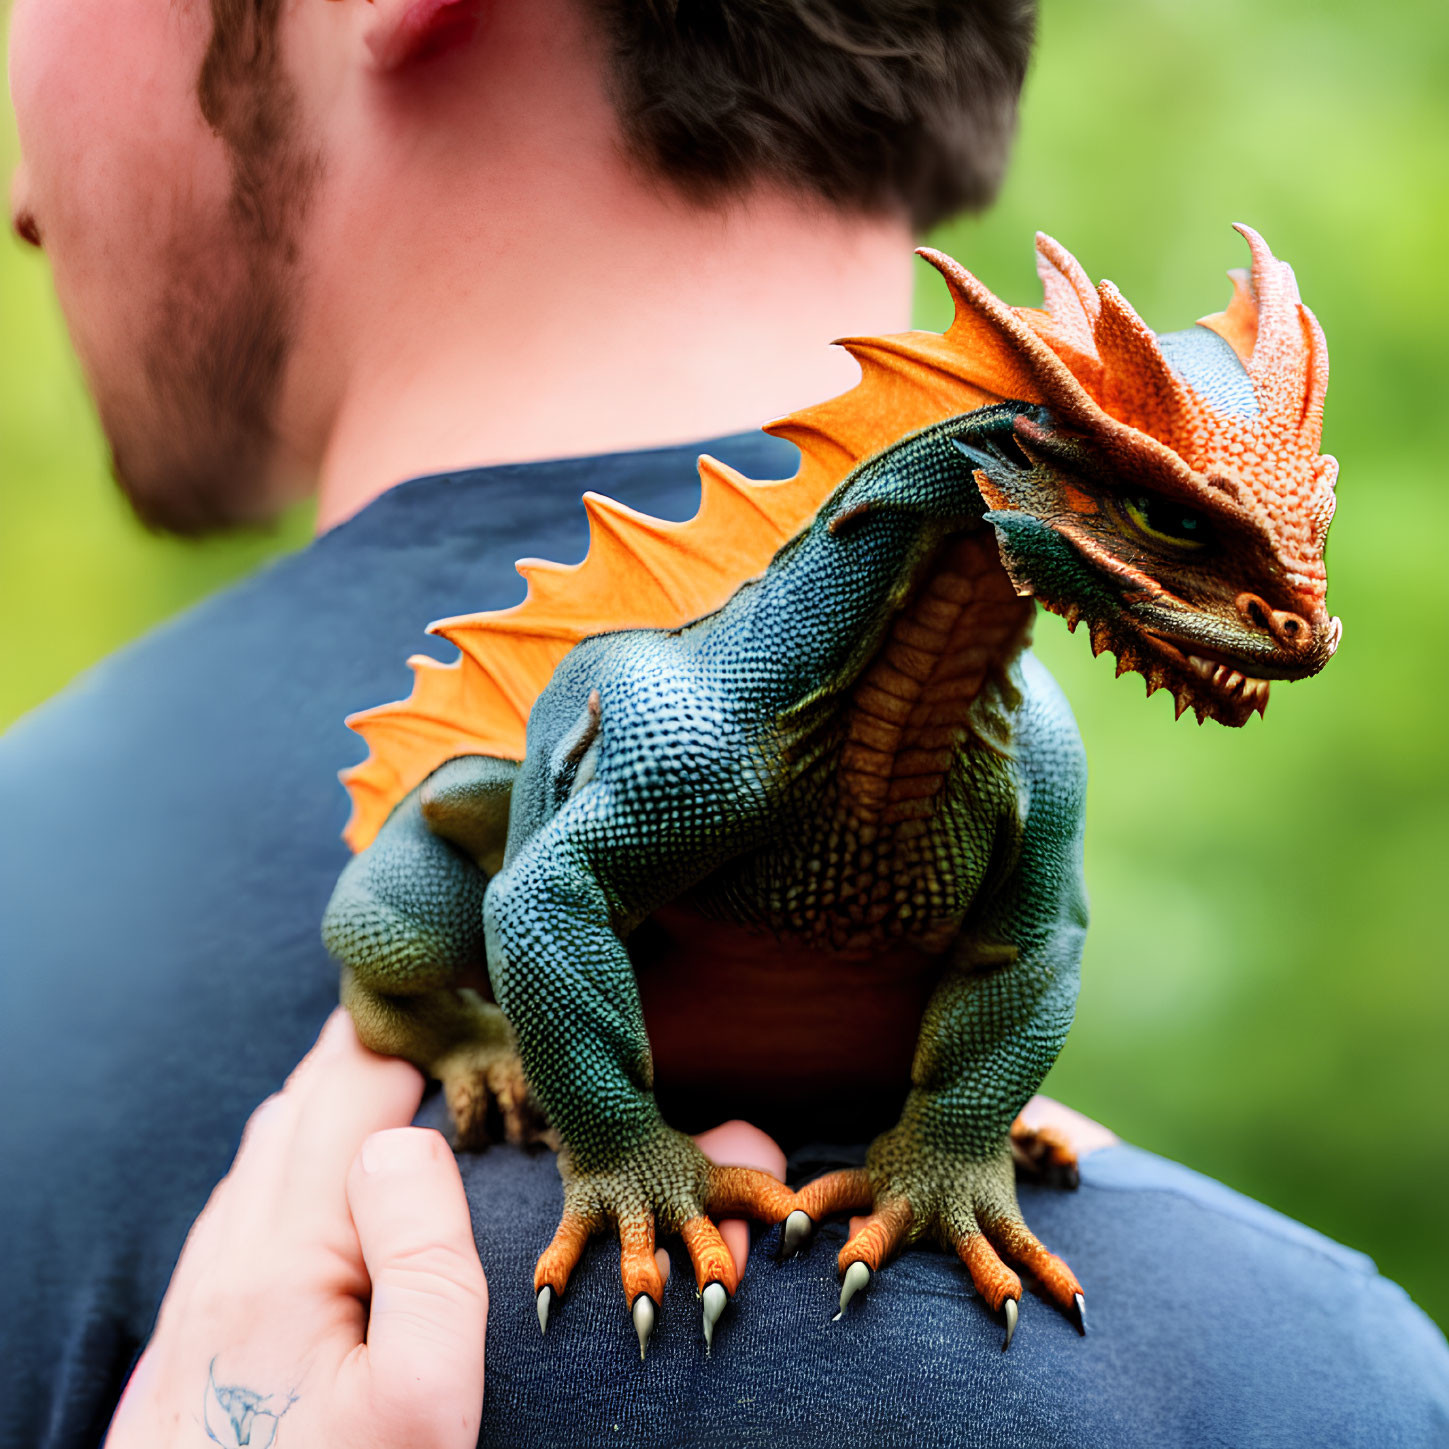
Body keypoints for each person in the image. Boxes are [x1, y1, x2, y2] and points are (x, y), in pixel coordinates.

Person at [3, 0, 1447, 1445]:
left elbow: (1037, 936)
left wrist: (953, 1123)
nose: (17, 198)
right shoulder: (1347, 1360)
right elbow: (543, 897)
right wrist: (588, 1122)